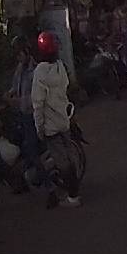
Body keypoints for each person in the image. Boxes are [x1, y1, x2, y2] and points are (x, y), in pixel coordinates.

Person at [30, 31, 81, 208]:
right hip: (64, 119)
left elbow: (38, 103)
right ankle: (73, 190)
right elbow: (66, 88)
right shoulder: (60, 67)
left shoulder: (40, 72)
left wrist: (39, 126)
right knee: (69, 156)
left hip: (51, 125)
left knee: (62, 162)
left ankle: (73, 196)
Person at [6, 37, 43, 189]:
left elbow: (36, 96)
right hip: (23, 114)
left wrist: (19, 101)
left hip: (34, 115)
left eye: (19, 53)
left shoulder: (36, 70)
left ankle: (50, 188)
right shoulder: (20, 69)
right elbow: (15, 86)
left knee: (32, 149)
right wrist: (9, 95)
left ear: (27, 52)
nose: (18, 57)